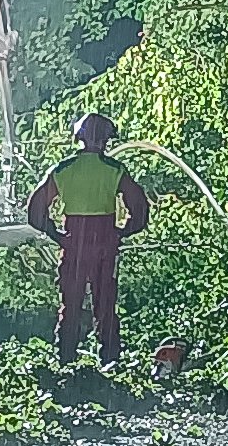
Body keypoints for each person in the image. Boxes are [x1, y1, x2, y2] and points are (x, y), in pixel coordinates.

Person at [26, 111, 149, 365]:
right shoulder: (115, 170)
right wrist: (122, 232)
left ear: (79, 137)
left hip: (74, 245)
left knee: (71, 304)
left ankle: (65, 359)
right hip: (105, 245)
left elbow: (36, 209)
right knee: (106, 305)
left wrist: (57, 235)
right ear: (106, 139)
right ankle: (110, 360)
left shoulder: (64, 169)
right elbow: (140, 208)